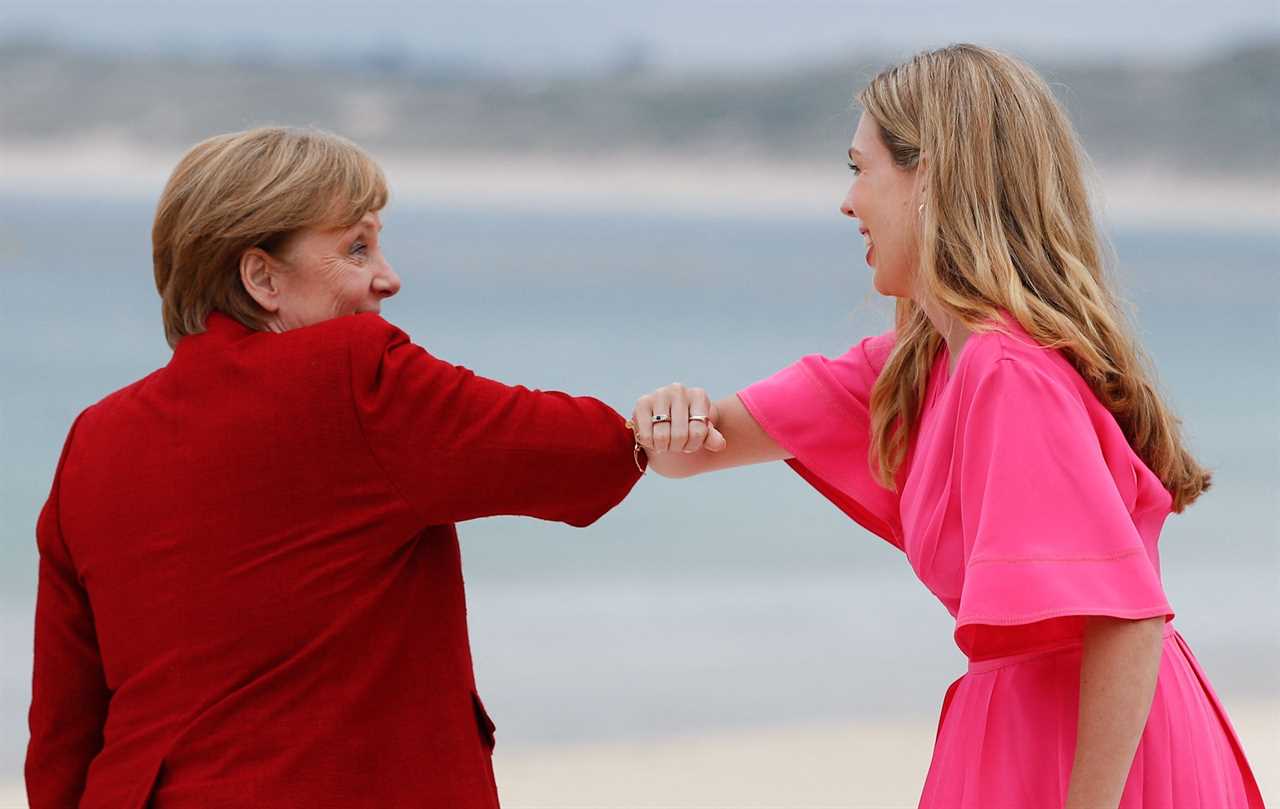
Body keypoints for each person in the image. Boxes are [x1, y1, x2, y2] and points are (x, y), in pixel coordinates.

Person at [629, 44, 1264, 809]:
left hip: (1086, 758)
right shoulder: (916, 367)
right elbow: (695, 448)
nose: (847, 201)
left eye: (860, 169)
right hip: (1026, 734)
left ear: (928, 177)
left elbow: (1128, 621)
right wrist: (663, 419)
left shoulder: (1007, 373)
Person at [26, 126, 644, 808]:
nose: (389, 276)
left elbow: (62, 732)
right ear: (260, 276)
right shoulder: (355, 375)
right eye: (356, 247)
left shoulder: (94, 437)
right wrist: (662, 425)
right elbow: (582, 455)